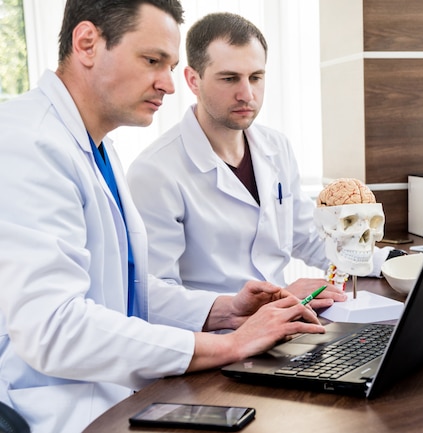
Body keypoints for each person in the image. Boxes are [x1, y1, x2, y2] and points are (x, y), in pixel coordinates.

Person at [0, 2, 327, 432]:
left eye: (170, 65)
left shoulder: (95, 145)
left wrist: (227, 310)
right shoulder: (29, 142)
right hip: (60, 409)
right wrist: (228, 344)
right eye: (152, 61)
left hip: (122, 390)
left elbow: (125, 296)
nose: (169, 85)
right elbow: (55, 329)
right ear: (86, 43)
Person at [127, 12, 395, 298]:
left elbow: (306, 237)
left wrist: (389, 263)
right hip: (218, 336)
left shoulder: (277, 147)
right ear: (193, 80)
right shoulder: (154, 172)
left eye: (256, 77)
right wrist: (271, 301)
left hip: (283, 323)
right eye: (229, 79)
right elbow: (156, 295)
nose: (247, 94)